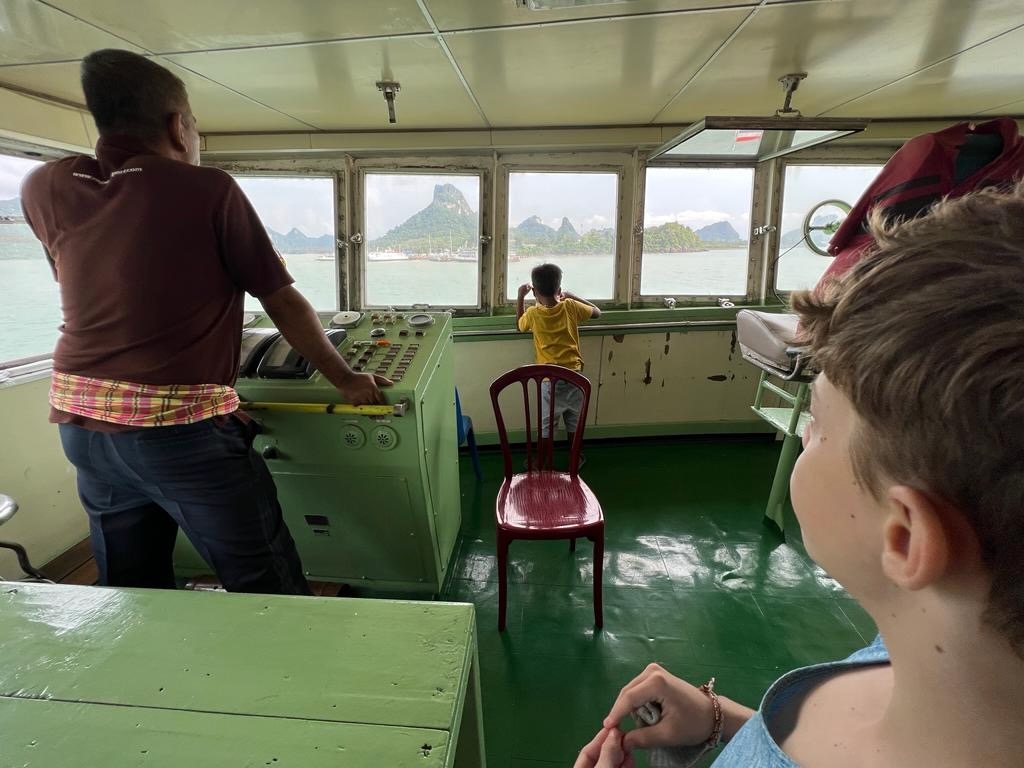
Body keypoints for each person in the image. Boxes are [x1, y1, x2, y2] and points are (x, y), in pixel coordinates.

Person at [575, 182, 1024, 767]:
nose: (805, 436)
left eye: (817, 422)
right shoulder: (913, 650)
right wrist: (723, 722)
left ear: (906, 538)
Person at [19, 49, 389, 595]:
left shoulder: (42, 185)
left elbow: (79, 278)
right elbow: (281, 300)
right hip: (179, 433)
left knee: (128, 584)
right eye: (194, 123)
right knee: (262, 575)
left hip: (80, 423)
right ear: (177, 126)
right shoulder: (208, 189)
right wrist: (347, 379)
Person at [517, 263, 600, 464]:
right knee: (574, 420)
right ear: (559, 289)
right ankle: (574, 458)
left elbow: (520, 326)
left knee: (547, 424)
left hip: (548, 378)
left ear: (535, 292)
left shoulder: (533, 314)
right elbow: (597, 312)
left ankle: (542, 461)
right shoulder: (570, 306)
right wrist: (571, 296)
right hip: (574, 374)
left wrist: (520, 297)